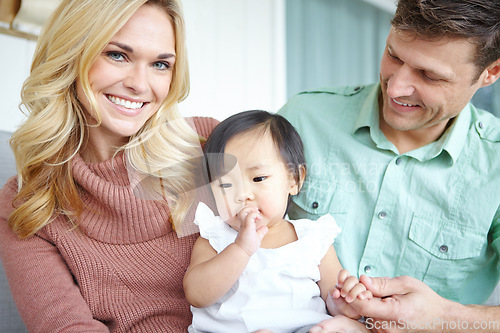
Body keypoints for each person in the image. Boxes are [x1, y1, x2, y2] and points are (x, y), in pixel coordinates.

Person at [278, 0, 500, 331]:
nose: (395, 88)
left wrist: (445, 319)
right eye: (393, 55)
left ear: (490, 73)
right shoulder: (303, 119)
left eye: (429, 75)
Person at [0, 0, 219, 332]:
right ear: (71, 55)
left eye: (160, 64)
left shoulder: (210, 146)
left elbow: (285, 259)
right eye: (118, 55)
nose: (140, 84)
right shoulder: (29, 202)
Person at [183, 110, 372, 333]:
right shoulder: (215, 239)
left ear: (295, 180)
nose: (242, 194)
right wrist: (241, 249)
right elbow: (197, 295)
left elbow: (333, 299)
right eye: (225, 184)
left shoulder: (312, 238)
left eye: (258, 178)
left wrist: (344, 303)